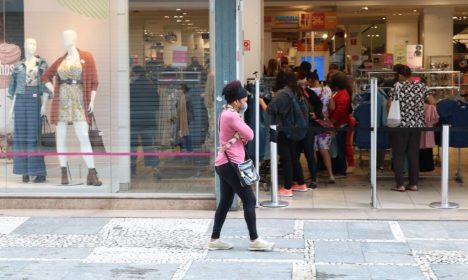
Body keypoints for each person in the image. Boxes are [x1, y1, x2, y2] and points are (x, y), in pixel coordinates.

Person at [208, 80, 274, 251]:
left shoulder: (225, 113)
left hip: (224, 163)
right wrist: (241, 125)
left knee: (225, 202)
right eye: (244, 100)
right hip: (232, 165)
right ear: (236, 101)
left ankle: (214, 239)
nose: (246, 103)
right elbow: (250, 134)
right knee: (250, 200)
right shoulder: (232, 115)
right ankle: (254, 240)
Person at [42, 29, 102, 186]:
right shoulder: (61, 60)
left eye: (68, 36)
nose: (65, 39)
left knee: (83, 135)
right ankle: (63, 172)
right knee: (60, 136)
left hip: (78, 98)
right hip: (61, 100)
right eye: (63, 37)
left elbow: (95, 81)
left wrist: (92, 101)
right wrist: (54, 91)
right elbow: (46, 76)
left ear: (75, 38)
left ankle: (92, 172)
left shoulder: (87, 57)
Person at [387, 65, 436, 192]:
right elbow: (432, 101)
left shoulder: (397, 87)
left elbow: (389, 106)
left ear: (399, 75)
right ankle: (413, 183)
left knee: (398, 155)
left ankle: (400, 184)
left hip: (400, 125)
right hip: (417, 125)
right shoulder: (421, 86)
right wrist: (417, 105)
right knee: (413, 154)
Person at [8, 38, 49, 183]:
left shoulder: (41, 63)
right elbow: (13, 90)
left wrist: (44, 105)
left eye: (34, 44)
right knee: (21, 136)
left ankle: (38, 172)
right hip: (20, 101)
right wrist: (12, 108)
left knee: (33, 137)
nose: (32, 46)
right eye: (29, 44)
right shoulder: (18, 66)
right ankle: (24, 171)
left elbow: (45, 85)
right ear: (24, 46)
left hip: (34, 100)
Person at [265, 70, 307, 197]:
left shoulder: (283, 93)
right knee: (294, 156)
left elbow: (270, 109)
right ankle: (300, 183)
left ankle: (287, 187)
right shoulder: (296, 91)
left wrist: (261, 101)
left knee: (286, 157)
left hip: (284, 129)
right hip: (295, 128)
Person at [129, 65, 160, 180]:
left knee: (132, 147)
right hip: (149, 121)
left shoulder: (131, 87)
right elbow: (157, 105)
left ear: (135, 74)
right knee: (149, 146)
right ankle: (155, 169)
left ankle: (131, 171)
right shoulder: (151, 87)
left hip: (133, 122)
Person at [307, 70, 336, 184]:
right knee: (324, 150)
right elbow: (332, 107)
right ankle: (331, 175)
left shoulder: (308, 91)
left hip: (312, 123)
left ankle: (314, 176)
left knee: (312, 150)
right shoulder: (327, 90)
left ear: (310, 80)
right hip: (325, 123)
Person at [329, 72, 352, 177]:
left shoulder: (342, 95)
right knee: (337, 147)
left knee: (339, 148)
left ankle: (341, 170)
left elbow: (340, 111)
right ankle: (337, 169)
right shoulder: (340, 92)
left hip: (340, 125)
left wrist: (332, 121)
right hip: (338, 124)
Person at [176, 84, 194, 153]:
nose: (178, 90)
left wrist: (188, 119)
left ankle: (189, 150)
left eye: (179, 89)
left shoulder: (186, 97)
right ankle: (188, 150)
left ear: (183, 90)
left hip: (186, 119)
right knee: (185, 134)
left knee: (186, 134)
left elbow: (189, 109)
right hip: (184, 119)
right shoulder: (182, 97)